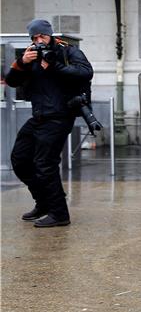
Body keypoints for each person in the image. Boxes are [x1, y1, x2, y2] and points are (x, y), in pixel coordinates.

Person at [6, 19, 94, 227]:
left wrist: (54, 66)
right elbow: (11, 81)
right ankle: (43, 202)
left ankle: (60, 214)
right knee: (19, 159)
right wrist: (22, 63)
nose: (39, 41)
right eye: (34, 38)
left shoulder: (67, 52)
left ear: (50, 35)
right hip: (38, 116)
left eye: (42, 36)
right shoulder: (30, 56)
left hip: (60, 116)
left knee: (45, 164)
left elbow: (85, 72)